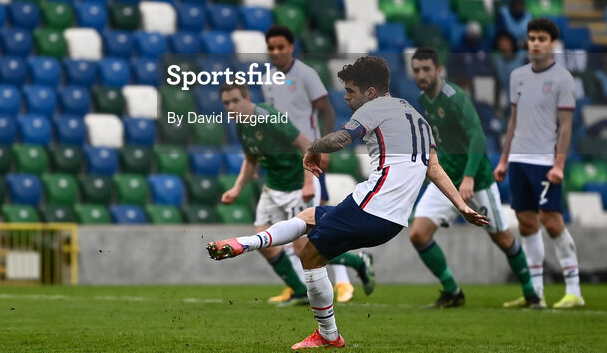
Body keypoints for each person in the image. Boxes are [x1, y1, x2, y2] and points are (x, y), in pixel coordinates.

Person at [208, 56, 488, 350]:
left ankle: (328, 335)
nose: (345, 96)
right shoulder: (416, 117)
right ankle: (246, 243)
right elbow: (434, 168)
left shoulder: (375, 107)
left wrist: (312, 147)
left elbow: (342, 138)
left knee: (310, 256)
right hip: (391, 220)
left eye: (350, 91)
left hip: (371, 206)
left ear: (369, 92)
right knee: (309, 216)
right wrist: (462, 206)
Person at [219, 83, 375, 308]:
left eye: (235, 101)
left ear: (247, 97)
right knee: (262, 242)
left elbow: (307, 145)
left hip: (296, 186)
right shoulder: (242, 126)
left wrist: (309, 182)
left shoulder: (268, 117)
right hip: (273, 188)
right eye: (226, 103)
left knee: (305, 248)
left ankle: (357, 260)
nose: (231, 107)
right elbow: (251, 160)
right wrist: (236, 189)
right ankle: (300, 290)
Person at [410, 47, 542, 308]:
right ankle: (452, 291)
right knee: (418, 233)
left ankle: (532, 294)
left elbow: (477, 138)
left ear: (438, 70)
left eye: (426, 69)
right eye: (416, 70)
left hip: (476, 179)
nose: (421, 74)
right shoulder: (424, 99)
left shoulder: (456, 97)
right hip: (446, 179)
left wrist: (469, 177)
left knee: (502, 238)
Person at [493, 18, 585, 310]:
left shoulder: (563, 79)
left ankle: (574, 290)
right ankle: (536, 292)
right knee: (527, 223)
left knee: (552, 221)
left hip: (545, 161)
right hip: (519, 159)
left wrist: (559, 165)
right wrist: (505, 159)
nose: (535, 43)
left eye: (541, 38)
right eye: (532, 38)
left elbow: (566, 126)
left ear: (553, 43)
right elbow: (513, 120)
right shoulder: (517, 76)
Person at [263, 25, 359, 303]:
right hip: (285, 161)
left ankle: (343, 283)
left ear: (291, 47)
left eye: (281, 47)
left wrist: (326, 145)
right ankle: (299, 285)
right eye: (271, 47)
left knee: (314, 224)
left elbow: (326, 110)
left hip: (309, 156)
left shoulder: (306, 74)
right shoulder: (267, 79)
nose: (276, 52)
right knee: (292, 224)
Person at [492, 31, 527, 106]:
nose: (503, 45)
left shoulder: (523, 58)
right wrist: (496, 105)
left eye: (506, 42)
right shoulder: (498, 62)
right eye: (501, 43)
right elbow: (497, 85)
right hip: (510, 104)